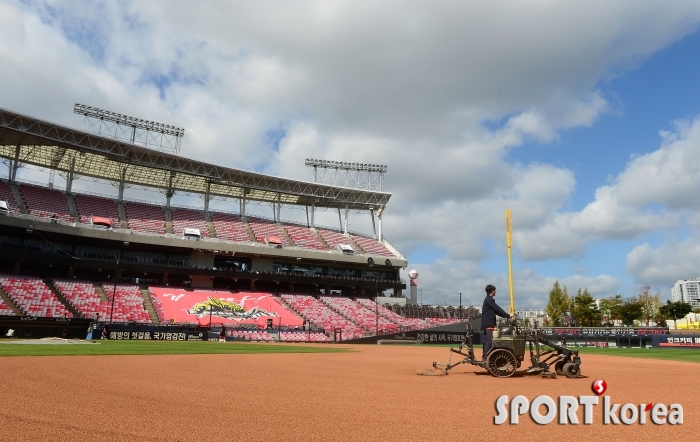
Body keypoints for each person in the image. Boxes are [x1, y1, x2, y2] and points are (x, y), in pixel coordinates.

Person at [481, 285, 510, 361]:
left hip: (486, 323)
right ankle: (486, 357)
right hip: (488, 323)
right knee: (490, 340)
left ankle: (484, 356)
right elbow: (498, 309)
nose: (496, 292)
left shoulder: (488, 299)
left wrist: (506, 316)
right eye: (495, 290)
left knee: (486, 340)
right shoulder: (489, 300)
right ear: (492, 291)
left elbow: (497, 311)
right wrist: (508, 315)